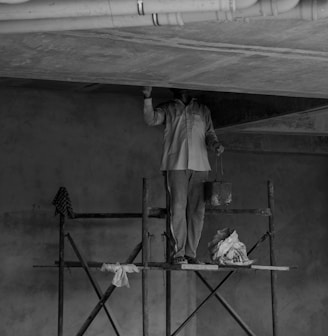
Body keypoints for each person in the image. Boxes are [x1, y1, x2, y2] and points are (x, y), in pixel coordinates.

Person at [142, 86, 224, 264]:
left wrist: (215, 145)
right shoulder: (169, 108)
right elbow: (151, 119)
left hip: (200, 166)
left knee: (198, 211)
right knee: (178, 208)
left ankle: (190, 253)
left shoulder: (202, 110)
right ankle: (178, 253)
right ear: (174, 91)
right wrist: (147, 97)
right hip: (176, 165)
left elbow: (210, 133)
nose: (183, 92)